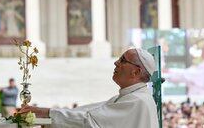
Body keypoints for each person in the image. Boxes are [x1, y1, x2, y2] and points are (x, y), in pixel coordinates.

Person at [18, 47, 159, 128]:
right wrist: (48, 117)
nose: (116, 63)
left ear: (136, 72)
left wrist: (48, 113)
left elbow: (90, 121)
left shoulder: (138, 101)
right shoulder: (127, 97)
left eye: (123, 60)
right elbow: (88, 111)